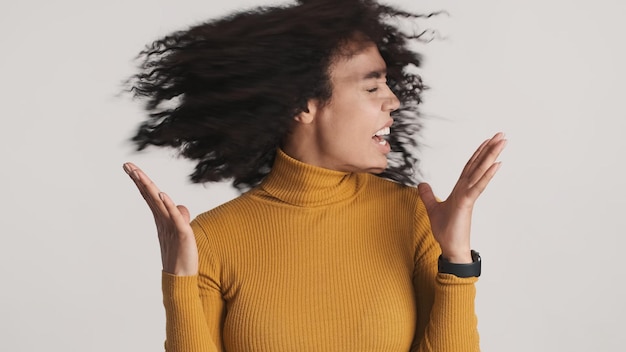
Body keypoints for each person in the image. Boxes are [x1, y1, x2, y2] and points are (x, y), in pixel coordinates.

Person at [123, 0, 506, 351]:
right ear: (303, 105)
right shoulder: (212, 240)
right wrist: (179, 283)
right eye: (372, 86)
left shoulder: (413, 216)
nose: (393, 101)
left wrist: (456, 261)